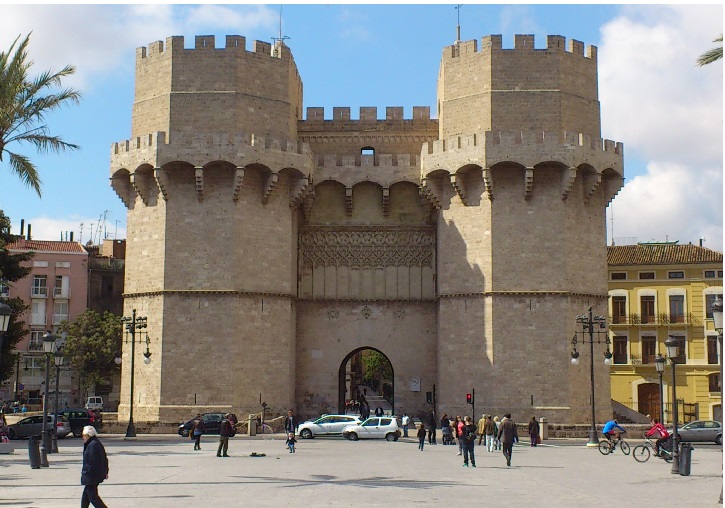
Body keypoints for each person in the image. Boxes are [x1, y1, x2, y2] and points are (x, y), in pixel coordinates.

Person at [80, 425, 109, 508]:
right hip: (92, 475)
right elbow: (104, 459)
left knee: (93, 497)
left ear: (88, 435)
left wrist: (87, 474)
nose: (83, 437)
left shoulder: (93, 445)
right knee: (86, 495)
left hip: (91, 475)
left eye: (84, 435)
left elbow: (93, 461)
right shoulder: (94, 443)